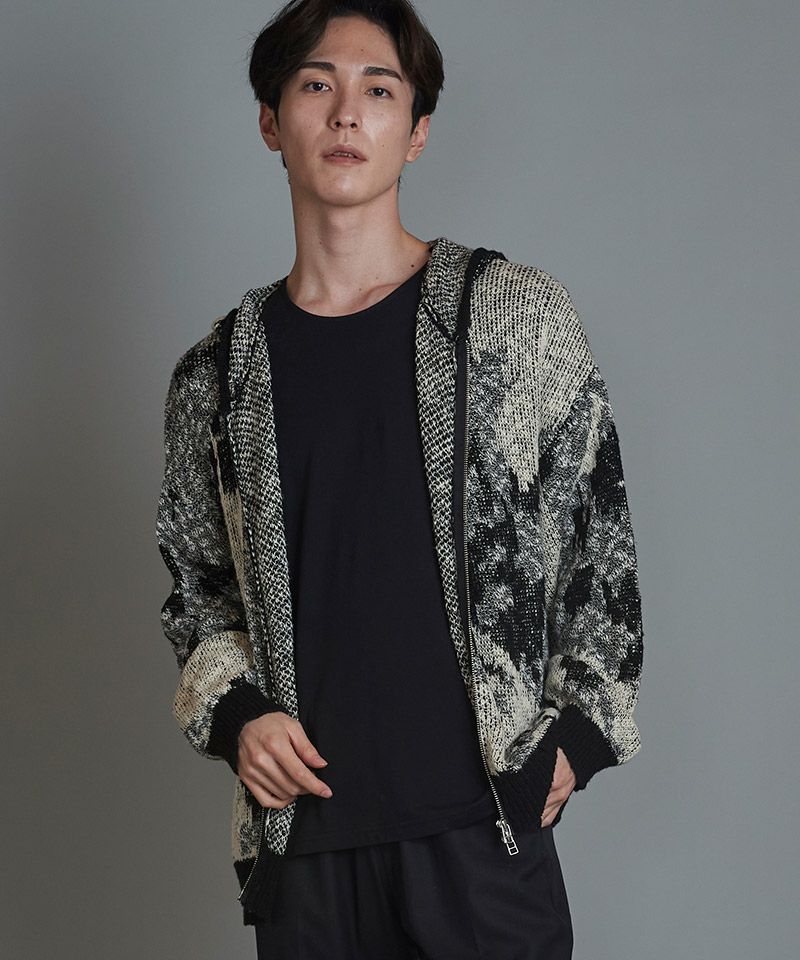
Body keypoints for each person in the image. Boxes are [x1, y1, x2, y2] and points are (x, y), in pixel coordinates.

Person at [155, 1, 644, 957]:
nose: (347, 113)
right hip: (309, 850)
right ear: (271, 122)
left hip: (481, 835)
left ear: (416, 131)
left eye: (379, 90)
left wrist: (578, 737)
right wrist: (239, 716)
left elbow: (602, 545)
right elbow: (198, 593)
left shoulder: (513, 317)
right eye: (316, 85)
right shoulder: (218, 374)